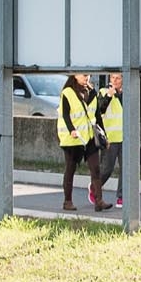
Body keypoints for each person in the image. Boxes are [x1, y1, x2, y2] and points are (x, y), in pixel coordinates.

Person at [56, 72, 100, 211]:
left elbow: (97, 114)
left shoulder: (92, 92)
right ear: (75, 75)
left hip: (89, 137)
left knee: (96, 168)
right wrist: (71, 130)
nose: (86, 77)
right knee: (71, 169)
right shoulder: (68, 92)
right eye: (83, 75)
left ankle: (99, 200)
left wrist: (103, 134)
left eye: (88, 75)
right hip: (72, 139)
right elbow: (65, 114)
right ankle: (67, 201)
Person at [89, 73, 126, 210]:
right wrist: (109, 96)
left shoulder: (126, 92)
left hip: (125, 137)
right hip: (110, 138)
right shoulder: (104, 92)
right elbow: (100, 110)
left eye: (118, 78)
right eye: (112, 78)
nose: (115, 81)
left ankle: (122, 196)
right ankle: (94, 187)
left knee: (125, 169)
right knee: (107, 168)